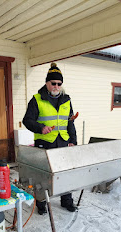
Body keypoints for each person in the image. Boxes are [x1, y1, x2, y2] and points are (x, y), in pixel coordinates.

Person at [23, 62, 77, 215]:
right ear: (47, 82)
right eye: (53, 83)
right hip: (45, 144)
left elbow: (70, 122)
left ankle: (67, 201)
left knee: (65, 172)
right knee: (43, 175)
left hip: (63, 143)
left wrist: (73, 140)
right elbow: (27, 120)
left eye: (59, 83)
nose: (56, 86)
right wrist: (41, 127)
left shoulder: (67, 100)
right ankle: (41, 203)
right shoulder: (37, 99)